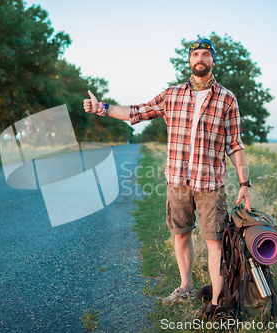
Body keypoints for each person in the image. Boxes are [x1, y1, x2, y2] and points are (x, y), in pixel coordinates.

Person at [83, 38, 251, 307]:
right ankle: (186, 286)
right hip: (177, 181)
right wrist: (103, 108)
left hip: (210, 183)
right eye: (195, 54)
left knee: (214, 242)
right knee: (181, 235)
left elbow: (234, 144)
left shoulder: (227, 99)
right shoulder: (171, 95)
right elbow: (136, 112)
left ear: (213, 61)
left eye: (206, 54)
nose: (200, 58)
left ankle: (218, 303)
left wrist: (245, 182)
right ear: (189, 61)